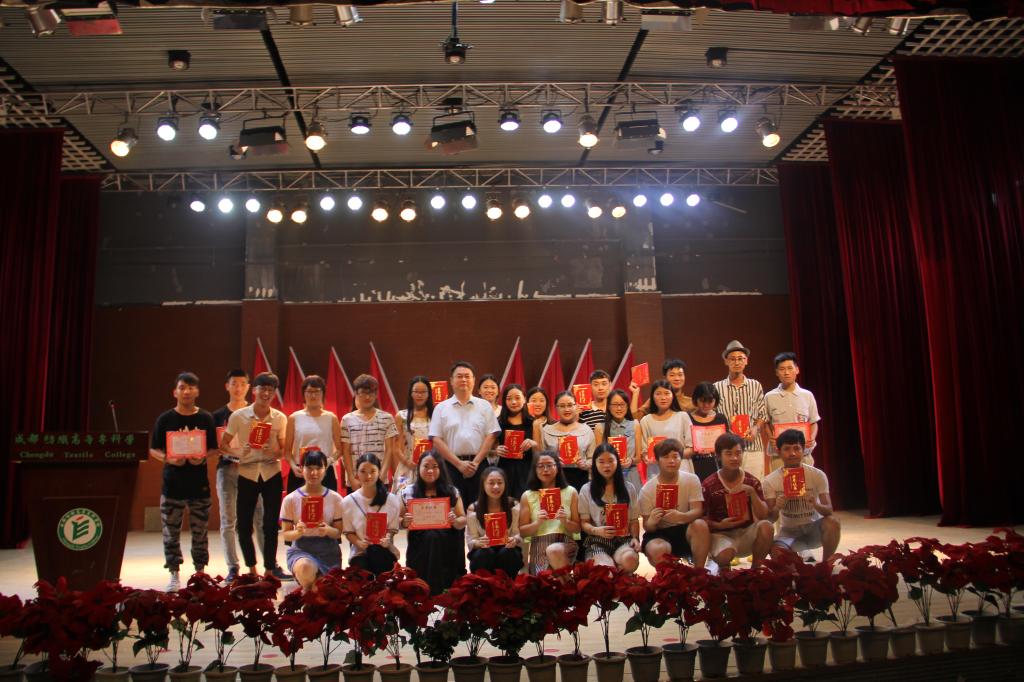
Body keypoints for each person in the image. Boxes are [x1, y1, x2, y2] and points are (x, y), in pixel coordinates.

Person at [150, 371, 218, 592]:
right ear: (175, 392)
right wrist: (168, 458)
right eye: (182, 388)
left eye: (190, 387)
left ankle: (200, 573)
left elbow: (214, 448)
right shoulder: (165, 419)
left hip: (199, 486)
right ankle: (174, 573)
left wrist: (203, 456)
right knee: (171, 532)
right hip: (172, 485)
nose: (186, 391)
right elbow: (153, 448)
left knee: (200, 532)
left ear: (197, 391)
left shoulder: (206, 418)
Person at [220, 371, 291, 580]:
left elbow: (283, 450)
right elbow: (223, 445)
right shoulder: (239, 416)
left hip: (271, 473)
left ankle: (269, 569)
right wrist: (238, 453)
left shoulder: (280, 418)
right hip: (247, 473)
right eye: (262, 389)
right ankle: (251, 568)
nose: (266, 393)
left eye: (270, 390)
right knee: (243, 525)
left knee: (270, 525)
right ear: (254, 391)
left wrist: (274, 451)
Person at [211, 369, 263, 583]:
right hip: (227, 471)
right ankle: (233, 566)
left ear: (249, 387)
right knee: (228, 520)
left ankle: (269, 564)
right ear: (227, 386)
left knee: (259, 518)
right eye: (234, 384)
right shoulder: (216, 416)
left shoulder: (257, 412)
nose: (238, 388)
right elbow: (213, 445)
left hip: (253, 470)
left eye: (242, 384)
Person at [428, 361, 500, 504]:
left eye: (467, 376)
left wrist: (476, 462)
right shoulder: (441, 408)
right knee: (453, 508)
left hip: (479, 465)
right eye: (459, 376)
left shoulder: (484, 406)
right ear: (451, 380)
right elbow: (436, 440)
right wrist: (459, 464)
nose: (464, 379)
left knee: (480, 508)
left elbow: (491, 436)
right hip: (450, 467)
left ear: (473, 380)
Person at [764, 429, 840, 562]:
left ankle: (826, 564)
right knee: (776, 552)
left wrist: (815, 503)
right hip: (789, 532)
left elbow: (829, 510)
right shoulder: (770, 480)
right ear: (779, 452)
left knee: (833, 522)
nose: (792, 453)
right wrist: (777, 506)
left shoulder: (817, 474)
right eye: (787, 449)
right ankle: (794, 564)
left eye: (796, 448)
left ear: (803, 450)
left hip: (814, 528)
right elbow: (770, 518)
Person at [702, 433, 773, 572]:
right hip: (721, 534)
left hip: (746, 533)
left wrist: (752, 493)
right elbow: (701, 519)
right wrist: (720, 525)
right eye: (729, 454)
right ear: (718, 456)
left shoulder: (752, 481)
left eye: (738, 453)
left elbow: (764, 515)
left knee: (767, 526)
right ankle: (723, 571)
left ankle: (755, 571)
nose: (734, 458)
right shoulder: (708, 484)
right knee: (724, 556)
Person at [401, 451, 468, 595]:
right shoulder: (408, 492)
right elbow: (399, 521)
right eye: (426, 466)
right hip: (419, 538)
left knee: (435, 537)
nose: (430, 470)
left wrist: (455, 521)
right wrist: (404, 521)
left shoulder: (452, 491)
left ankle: (440, 589)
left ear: (441, 469)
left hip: (446, 537)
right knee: (431, 537)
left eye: (435, 466)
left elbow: (463, 519)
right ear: (419, 468)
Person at [279, 449, 345, 591]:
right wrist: (298, 532)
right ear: (301, 469)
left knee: (320, 590)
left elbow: (338, 532)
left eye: (318, 468)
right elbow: (286, 534)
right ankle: (308, 588)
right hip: (301, 549)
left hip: (328, 551)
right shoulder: (291, 499)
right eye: (309, 468)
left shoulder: (335, 498)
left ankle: (309, 592)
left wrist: (328, 530)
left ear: (325, 470)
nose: (314, 473)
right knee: (305, 568)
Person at [639, 438, 709, 568]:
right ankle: (666, 576)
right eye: (666, 457)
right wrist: (652, 521)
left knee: (700, 525)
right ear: (657, 460)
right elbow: (647, 527)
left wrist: (681, 517)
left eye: (675, 456)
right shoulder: (647, 490)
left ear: (681, 459)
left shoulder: (691, 480)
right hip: (659, 532)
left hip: (685, 528)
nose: (671, 461)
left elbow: (698, 510)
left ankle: (699, 572)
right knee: (657, 548)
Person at [578, 444, 641, 573]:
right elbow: (584, 522)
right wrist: (596, 530)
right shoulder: (586, 489)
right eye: (601, 462)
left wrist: (635, 538)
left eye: (611, 461)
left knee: (630, 560)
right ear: (594, 464)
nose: (606, 466)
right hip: (597, 540)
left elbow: (634, 520)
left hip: (623, 539)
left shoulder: (629, 488)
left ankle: (624, 580)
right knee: (605, 570)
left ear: (617, 462)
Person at [519, 452, 581, 574]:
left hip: (564, 542)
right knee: (546, 579)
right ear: (535, 470)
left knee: (554, 550)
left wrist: (565, 521)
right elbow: (523, 531)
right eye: (540, 466)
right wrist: (537, 523)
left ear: (557, 467)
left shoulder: (571, 492)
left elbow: (577, 528)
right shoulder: (527, 495)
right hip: (539, 544)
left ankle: (567, 582)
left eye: (549, 465)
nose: (545, 469)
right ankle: (566, 582)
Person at [714, 340, 768, 479]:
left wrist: (755, 428)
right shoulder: (717, 387)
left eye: (740, 359)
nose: (737, 362)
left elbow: (762, 414)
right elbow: (713, 416)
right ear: (726, 361)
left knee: (754, 484)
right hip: (727, 449)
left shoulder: (755, 385)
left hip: (752, 447)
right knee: (730, 487)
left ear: (746, 361)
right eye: (732, 359)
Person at [341, 453, 402, 575]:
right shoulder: (348, 501)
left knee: (377, 554)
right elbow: (348, 532)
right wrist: (358, 543)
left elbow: (392, 529)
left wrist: (387, 538)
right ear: (357, 473)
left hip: (384, 550)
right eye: (363, 471)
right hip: (360, 553)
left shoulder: (391, 500)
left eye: (372, 471)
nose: (368, 476)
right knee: (362, 573)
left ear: (379, 472)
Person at [284, 375, 342, 493]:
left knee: (327, 504)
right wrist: (293, 466)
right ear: (304, 394)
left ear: (323, 394)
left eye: (317, 391)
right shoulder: (294, 418)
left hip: (325, 471)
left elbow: (340, 449)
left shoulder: (331, 418)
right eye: (309, 391)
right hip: (300, 471)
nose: (313, 395)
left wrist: (328, 461)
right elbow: (287, 451)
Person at [341, 374, 400, 489]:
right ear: (356, 393)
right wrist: (351, 478)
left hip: (379, 479)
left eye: (371, 393)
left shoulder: (387, 418)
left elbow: (389, 450)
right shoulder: (346, 419)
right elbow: (346, 451)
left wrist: (381, 476)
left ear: (376, 394)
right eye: (363, 393)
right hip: (356, 481)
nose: (367, 397)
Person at [764, 352, 820, 471]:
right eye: (782, 369)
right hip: (779, 455)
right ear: (776, 372)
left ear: (797, 370)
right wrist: (771, 437)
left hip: (803, 453)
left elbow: (813, 421)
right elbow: (766, 422)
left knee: (806, 482)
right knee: (780, 482)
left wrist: (812, 437)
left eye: (790, 368)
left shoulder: (807, 395)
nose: (786, 372)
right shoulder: (769, 397)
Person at [466, 467, 524, 575]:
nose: (496, 486)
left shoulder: (514, 505)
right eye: (491, 483)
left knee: (508, 553)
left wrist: (514, 540)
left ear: (505, 484)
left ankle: (508, 583)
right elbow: (471, 540)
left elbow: (518, 533)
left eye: (500, 483)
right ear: (483, 485)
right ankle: (484, 584)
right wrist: (479, 542)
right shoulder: (473, 508)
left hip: (507, 548)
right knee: (485, 553)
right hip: (484, 550)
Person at [637, 380, 695, 480]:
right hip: (656, 472)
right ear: (652, 397)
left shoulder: (683, 416)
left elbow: (692, 448)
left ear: (673, 396)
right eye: (658, 394)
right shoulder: (646, 421)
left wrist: (671, 457)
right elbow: (644, 451)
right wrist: (647, 457)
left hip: (682, 470)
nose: (663, 398)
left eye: (667, 393)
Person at [541, 391, 596, 490]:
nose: (566, 409)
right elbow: (540, 459)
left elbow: (593, 457)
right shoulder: (547, 430)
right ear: (556, 408)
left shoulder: (586, 430)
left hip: (581, 477)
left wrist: (585, 464)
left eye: (570, 405)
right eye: (562, 406)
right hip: (554, 478)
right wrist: (553, 463)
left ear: (576, 406)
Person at [495, 383, 537, 499]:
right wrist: (496, 450)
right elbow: (490, 449)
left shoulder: (533, 422)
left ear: (524, 399)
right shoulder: (498, 422)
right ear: (504, 401)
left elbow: (541, 449)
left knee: (526, 502)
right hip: (505, 469)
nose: (513, 402)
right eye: (509, 399)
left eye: (517, 398)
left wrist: (533, 443)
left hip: (527, 469)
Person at [394, 375, 434, 493]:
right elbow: (396, 448)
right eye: (416, 392)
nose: (419, 395)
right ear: (411, 393)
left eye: (423, 392)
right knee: (405, 498)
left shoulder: (436, 415)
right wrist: (407, 463)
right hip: (408, 466)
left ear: (429, 394)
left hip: (430, 466)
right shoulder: (401, 416)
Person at [689, 382, 731, 482]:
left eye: (710, 401)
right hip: (695, 465)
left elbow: (726, 444)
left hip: (716, 465)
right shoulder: (687, 418)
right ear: (696, 400)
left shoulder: (720, 418)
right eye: (702, 401)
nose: (706, 405)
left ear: (715, 401)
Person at [603, 388, 641, 492]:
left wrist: (631, 460)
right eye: (615, 405)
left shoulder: (635, 425)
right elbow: (598, 458)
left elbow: (638, 458)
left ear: (627, 406)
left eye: (622, 404)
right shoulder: (600, 428)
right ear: (609, 406)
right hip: (610, 476)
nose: (619, 408)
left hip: (631, 474)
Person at [578, 369, 611, 436]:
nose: (600, 388)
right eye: (596, 384)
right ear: (590, 387)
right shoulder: (583, 411)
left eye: (604, 384)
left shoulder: (616, 408)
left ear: (610, 385)